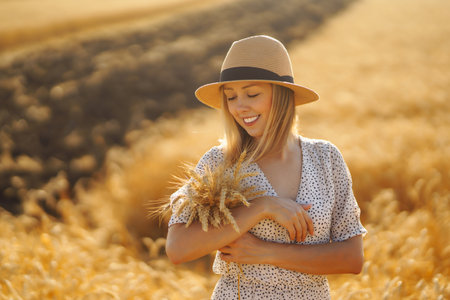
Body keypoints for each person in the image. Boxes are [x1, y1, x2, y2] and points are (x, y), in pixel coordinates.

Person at [165, 35, 367, 299]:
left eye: (252, 93)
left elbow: (352, 258)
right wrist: (263, 207)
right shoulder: (220, 162)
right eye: (231, 97)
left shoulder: (326, 158)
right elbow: (178, 249)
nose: (240, 107)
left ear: (282, 95)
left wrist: (267, 252)